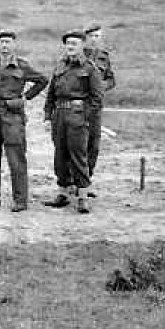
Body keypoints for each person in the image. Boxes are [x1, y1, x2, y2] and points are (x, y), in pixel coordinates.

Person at [0, 30, 48, 212]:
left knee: (16, 158)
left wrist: (25, 98)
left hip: (12, 115)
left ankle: (20, 200)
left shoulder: (22, 65)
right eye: (1, 42)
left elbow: (42, 81)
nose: (4, 46)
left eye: (8, 42)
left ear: (14, 44)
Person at [43, 30, 101, 213]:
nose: (70, 47)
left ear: (83, 45)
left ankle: (82, 196)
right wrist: (47, 114)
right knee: (60, 155)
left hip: (78, 115)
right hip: (59, 115)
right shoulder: (60, 65)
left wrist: (84, 117)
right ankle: (63, 193)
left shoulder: (90, 68)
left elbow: (97, 98)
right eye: (68, 43)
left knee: (78, 156)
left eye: (74, 43)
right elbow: (51, 92)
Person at [81, 24, 116, 195]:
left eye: (98, 36)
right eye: (92, 36)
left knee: (93, 145)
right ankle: (72, 183)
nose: (95, 39)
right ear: (85, 38)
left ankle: (86, 182)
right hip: (78, 106)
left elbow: (111, 79)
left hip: (95, 107)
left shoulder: (103, 57)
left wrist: (102, 86)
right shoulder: (76, 56)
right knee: (76, 145)